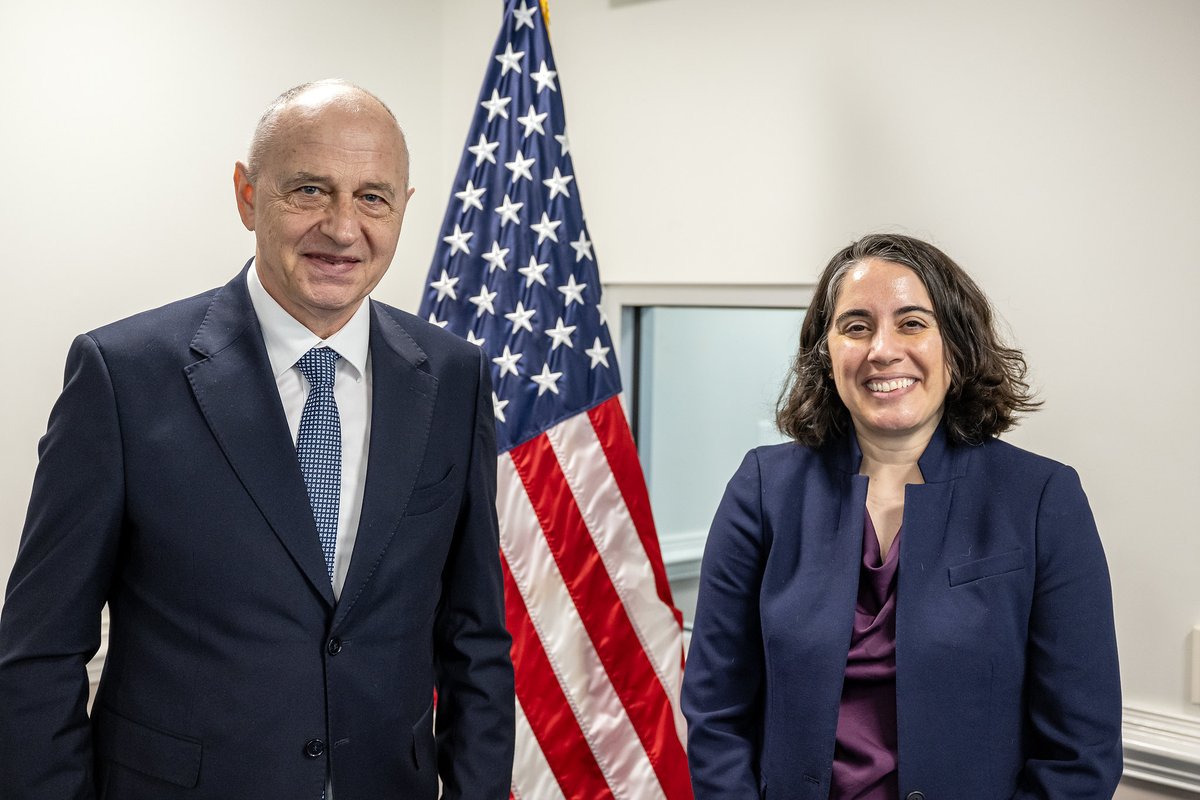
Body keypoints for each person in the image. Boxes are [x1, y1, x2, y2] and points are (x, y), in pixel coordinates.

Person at [0, 80, 515, 799]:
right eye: (309, 190)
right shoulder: (122, 375)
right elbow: (40, 652)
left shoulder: (455, 375)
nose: (342, 228)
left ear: (403, 208)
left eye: (373, 197)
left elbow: (475, 639)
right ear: (247, 194)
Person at [681, 233, 1121, 799]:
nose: (881, 350)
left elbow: (1081, 751)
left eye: (912, 323)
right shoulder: (764, 488)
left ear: (955, 348)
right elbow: (716, 710)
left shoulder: (1041, 498)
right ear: (827, 351)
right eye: (856, 326)